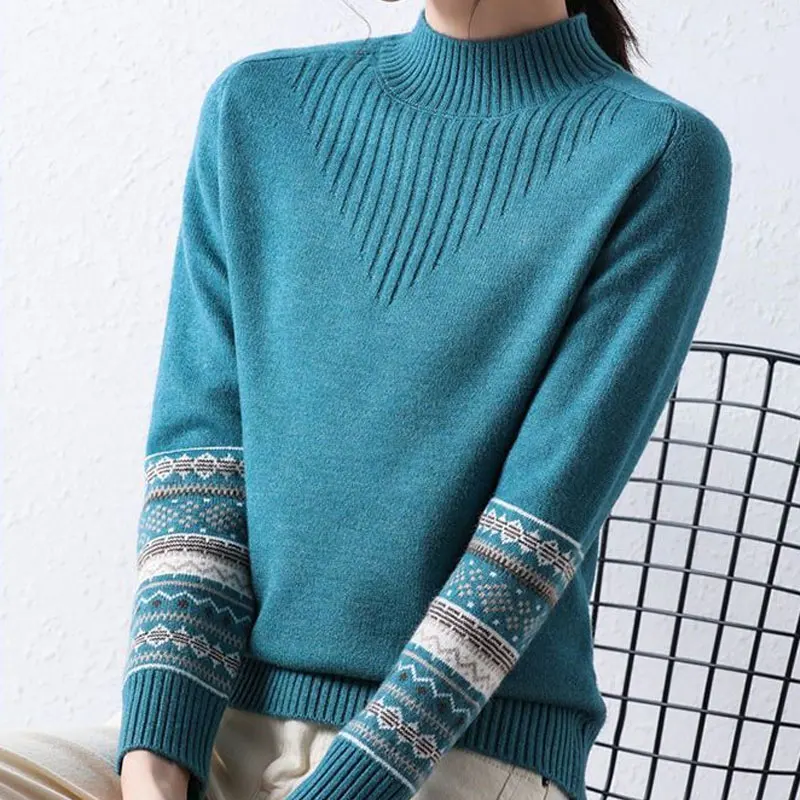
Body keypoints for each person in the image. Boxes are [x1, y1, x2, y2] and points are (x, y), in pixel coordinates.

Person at [0, 0, 733, 799]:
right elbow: (200, 467)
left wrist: (350, 784)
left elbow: (531, 540)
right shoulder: (257, 108)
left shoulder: (657, 152)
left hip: (457, 747)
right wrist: (155, 763)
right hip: (222, 725)